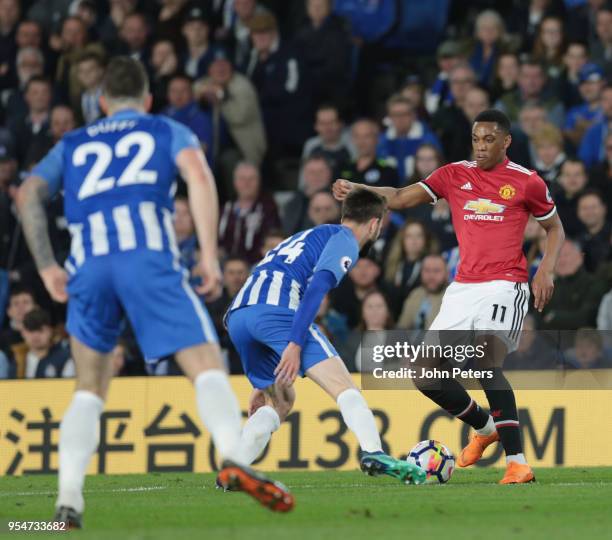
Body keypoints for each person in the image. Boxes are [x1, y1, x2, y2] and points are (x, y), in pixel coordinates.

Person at [16, 56, 293, 527]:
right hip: (147, 258)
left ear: (101, 102)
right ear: (146, 100)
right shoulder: (164, 129)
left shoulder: (74, 141)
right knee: (205, 364)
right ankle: (234, 456)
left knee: (89, 388)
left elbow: (26, 195)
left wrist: (46, 268)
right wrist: (208, 254)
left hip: (89, 265)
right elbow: (200, 177)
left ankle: (67, 503)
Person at [334, 109, 565, 484]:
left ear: (506, 141)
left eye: (489, 139)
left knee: (487, 363)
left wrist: (546, 269)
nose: (481, 146)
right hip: (462, 289)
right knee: (424, 373)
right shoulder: (454, 174)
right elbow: (401, 197)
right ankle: (486, 427)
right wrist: (363, 190)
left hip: (505, 284)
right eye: (476, 139)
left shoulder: (527, 182)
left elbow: (554, 228)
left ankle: (517, 462)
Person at [225, 189, 426, 484]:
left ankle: (235, 469)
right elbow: (318, 287)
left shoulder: (309, 235)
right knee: (344, 386)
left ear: (345, 215)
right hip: (276, 310)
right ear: (374, 225)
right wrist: (294, 342)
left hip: (238, 315)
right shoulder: (344, 239)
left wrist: (265, 373)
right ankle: (374, 451)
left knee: (279, 401)